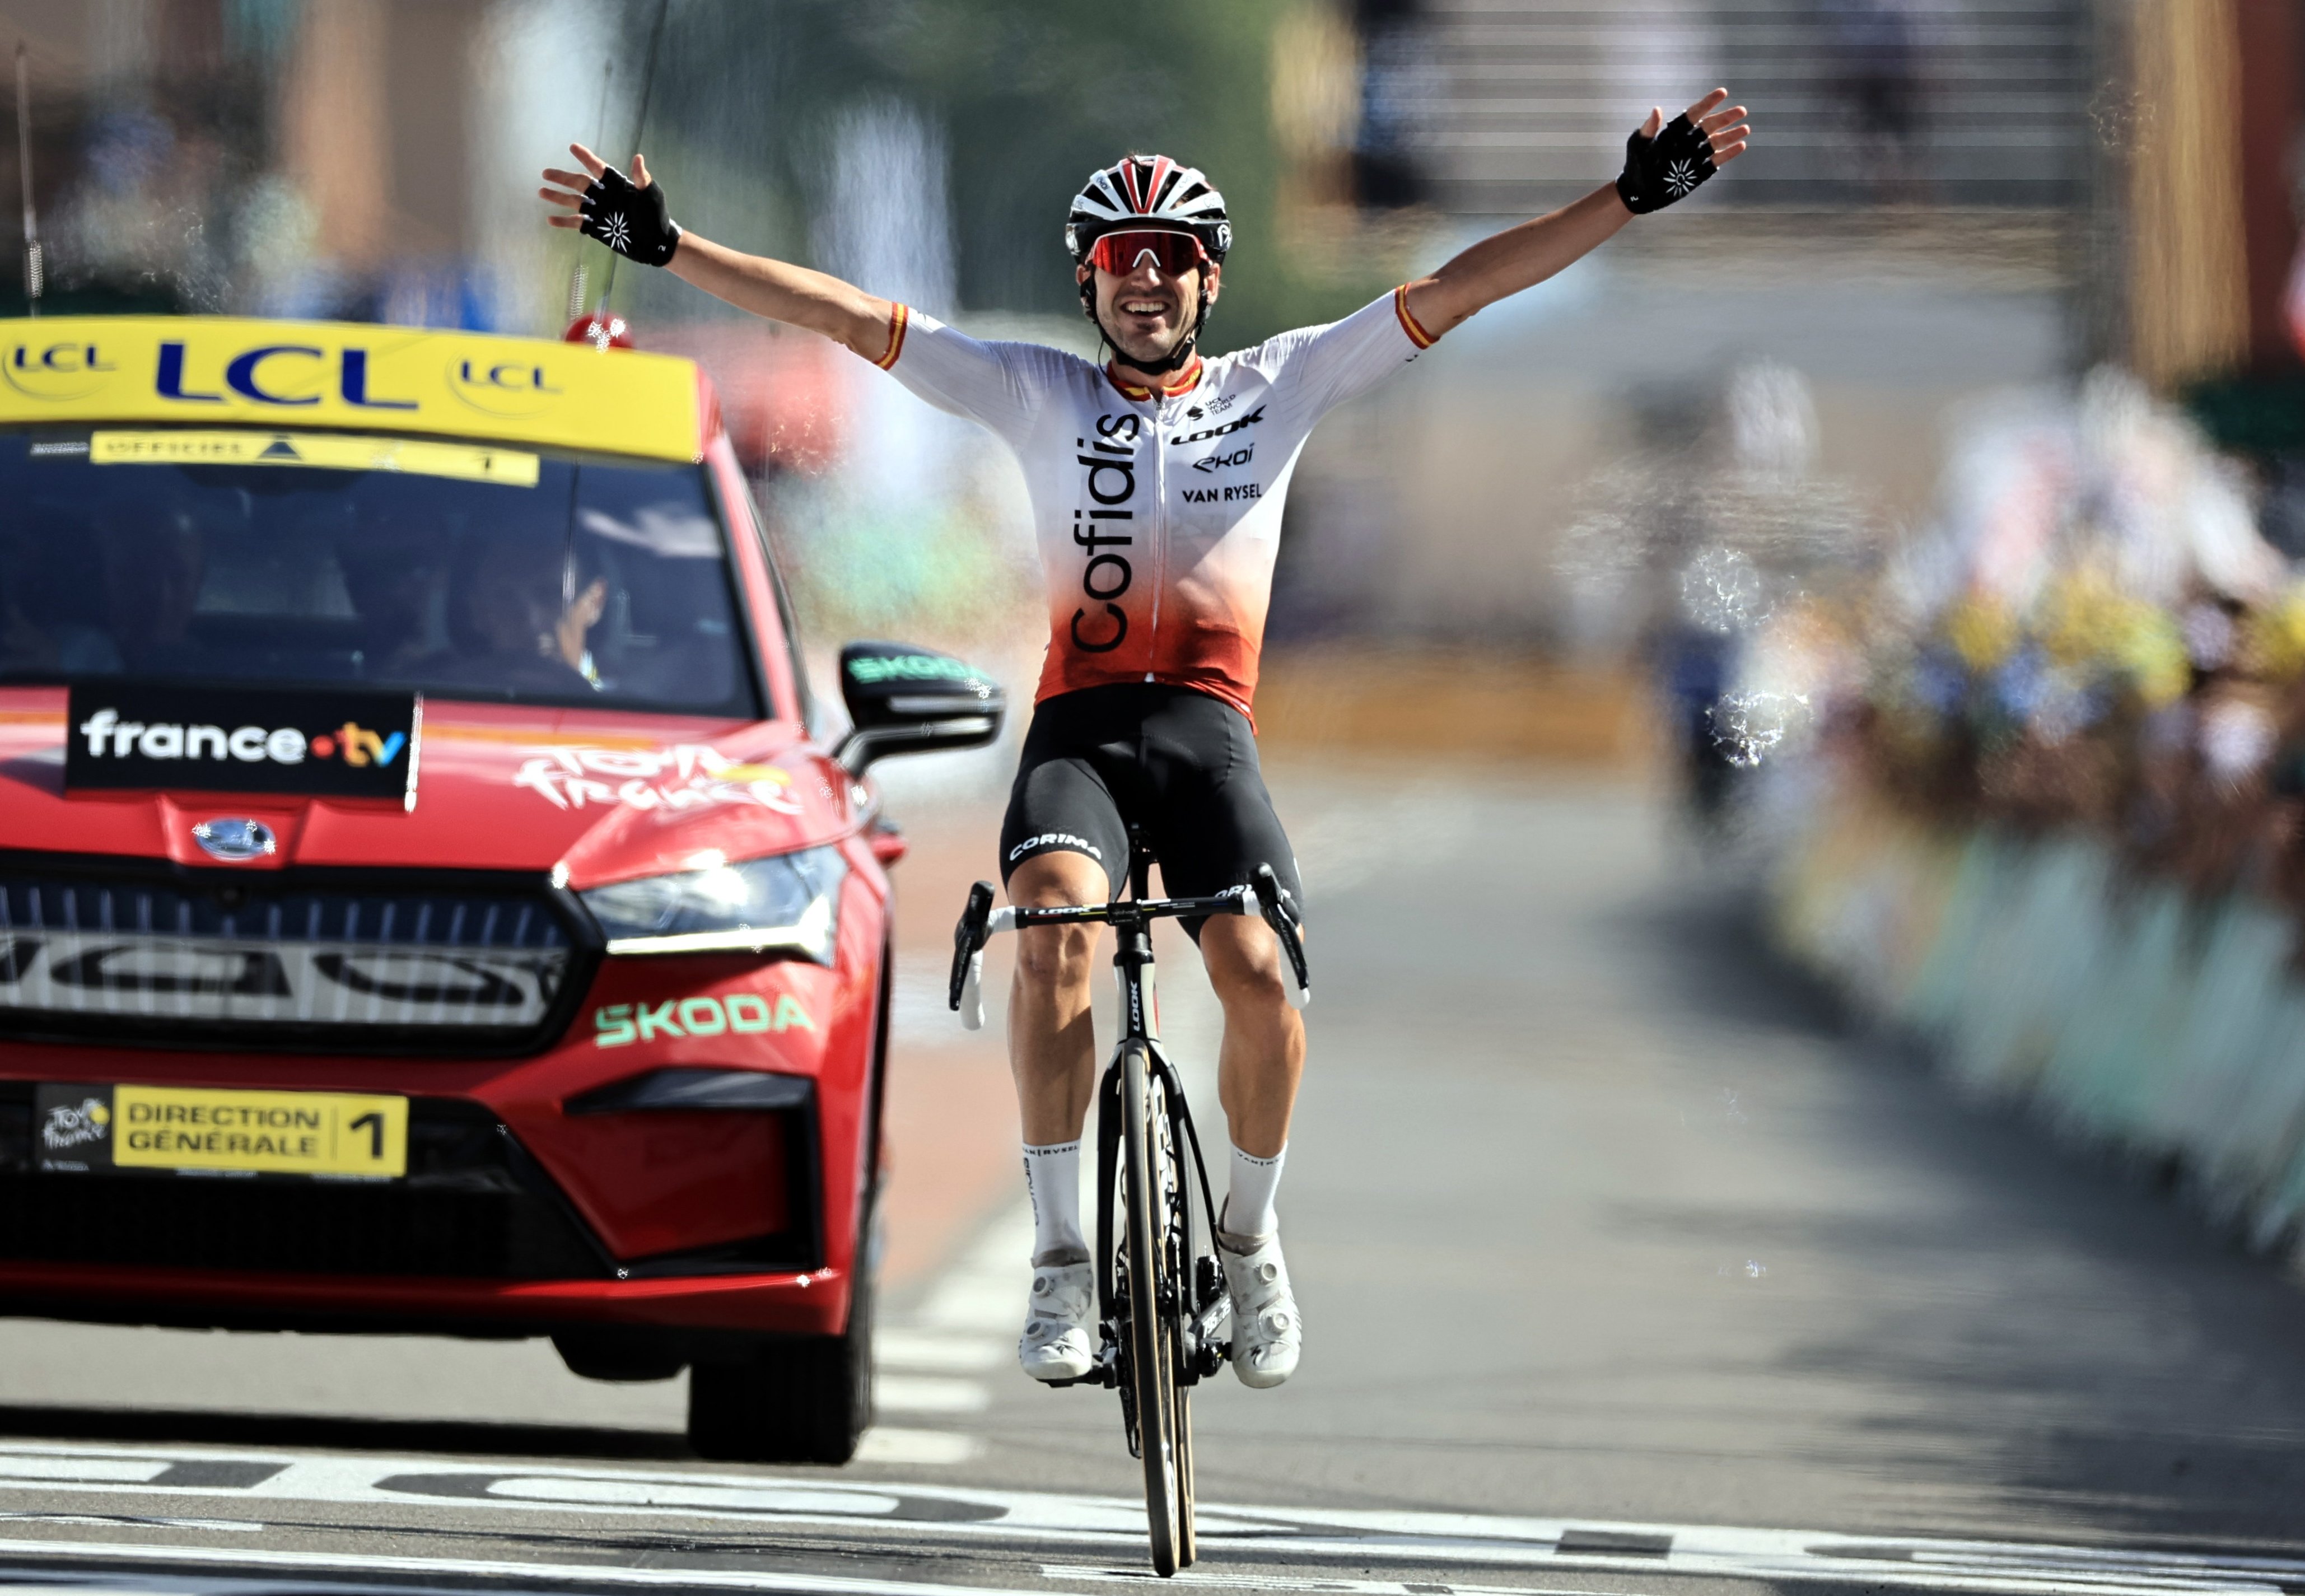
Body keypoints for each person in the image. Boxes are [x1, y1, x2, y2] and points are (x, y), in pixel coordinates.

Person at [541, 90, 1751, 1389]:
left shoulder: (1282, 383)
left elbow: (1460, 287)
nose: (1150, 278)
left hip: (1208, 739)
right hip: (1081, 738)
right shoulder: (1027, 388)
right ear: (1090, 279)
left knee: (1259, 984)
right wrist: (676, 250)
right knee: (1055, 937)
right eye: (1125, 257)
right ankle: (1062, 1261)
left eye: (1174, 256)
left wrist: (1621, 201)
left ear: (1209, 278)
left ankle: (1247, 1238)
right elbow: (843, 314)